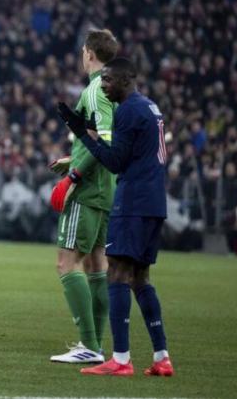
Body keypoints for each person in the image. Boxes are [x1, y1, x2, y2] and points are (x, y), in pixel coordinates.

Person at [58, 57, 173, 376]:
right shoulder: (150, 107)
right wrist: (88, 131)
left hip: (133, 201)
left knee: (117, 273)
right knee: (141, 278)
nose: (104, 86)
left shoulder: (127, 110)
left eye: (108, 80)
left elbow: (114, 162)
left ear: (124, 80)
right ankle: (162, 357)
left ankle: (120, 359)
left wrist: (81, 133)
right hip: (154, 202)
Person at [47, 29, 118, 364]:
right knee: (96, 263)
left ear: (89, 53)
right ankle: (97, 344)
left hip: (87, 188)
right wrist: (71, 157)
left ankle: (89, 344)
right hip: (107, 188)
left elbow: (101, 140)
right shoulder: (115, 88)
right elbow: (108, 139)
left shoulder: (94, 90)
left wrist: (74, 173)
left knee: (67, 262)